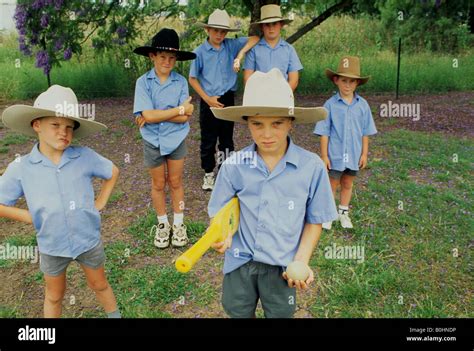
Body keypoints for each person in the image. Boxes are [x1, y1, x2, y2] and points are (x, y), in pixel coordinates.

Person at [208, 68, 338, 318]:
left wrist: (301, 260)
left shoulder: (311, 168)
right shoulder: (233, 165)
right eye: (257, 124)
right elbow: (220, 213)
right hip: (239, 263)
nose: (267, 134)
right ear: (246, 122)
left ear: (291, 122)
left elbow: (315, 220)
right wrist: (221, 234)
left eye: (277, 123)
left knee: (280, 314)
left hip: (282, 267)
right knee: (236, 311)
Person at [0, 85, 120, 318]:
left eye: (69, 127)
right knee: (54, 295)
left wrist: (101, 201)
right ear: (37, 125)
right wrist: (30, 217)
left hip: (88, 240)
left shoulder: (84, 156)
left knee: (100, 285)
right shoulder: (21, 167)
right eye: (55, 125)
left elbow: (112, 171)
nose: (63, 132)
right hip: (52, 246)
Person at [133, 28, 196, 248]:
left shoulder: (179, 82)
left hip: (176, 139)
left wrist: (155, 115)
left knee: (176, 181)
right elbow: (148, 115)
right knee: (158, 183)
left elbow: (185, 118)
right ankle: (162, 224)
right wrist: (178, 109)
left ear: (176, 59)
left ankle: (178, 223)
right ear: (152, 56)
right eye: (162, 57)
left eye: (171, 58)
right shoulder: (143, 83)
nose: (167, 61)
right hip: (152, 141)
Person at [189, 9, 259, 190]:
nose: (219, 34)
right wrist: (207, 99)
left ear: (226, 33)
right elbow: (193, 79)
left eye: (222, 31)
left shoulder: (231, 45)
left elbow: (255, 39)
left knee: (226, 138)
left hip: (227, 98)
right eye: (215, 30)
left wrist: (240, 54)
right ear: (207, 30)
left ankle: (225, 169)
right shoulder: (200, 52)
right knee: (208, 138)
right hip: (209, 99)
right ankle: (208, 173)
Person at [314, 56, 377, 230]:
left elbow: (365, 132)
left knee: (348, 183)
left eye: (352, 81)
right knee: (332, 183)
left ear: (357, 83)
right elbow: (324, 132)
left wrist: (364, 154)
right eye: (344, 80)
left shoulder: (362, 105)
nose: (347, 85)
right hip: (335, 154)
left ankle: (343, 213)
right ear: (336, 80)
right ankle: (328, 214)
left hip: (355, 154)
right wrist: (325, 156)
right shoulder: (330, 105)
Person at [243, 4, 302, 91]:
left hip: (283, 97)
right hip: (258, 96)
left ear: (281, 25)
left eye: (274, 24)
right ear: (262, 27)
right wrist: (258, 94)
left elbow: (294, 80)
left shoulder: (289, 50)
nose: (271, 28)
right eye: (267, 25)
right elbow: (247, 78)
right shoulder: (253, 49)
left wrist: (283, 95)